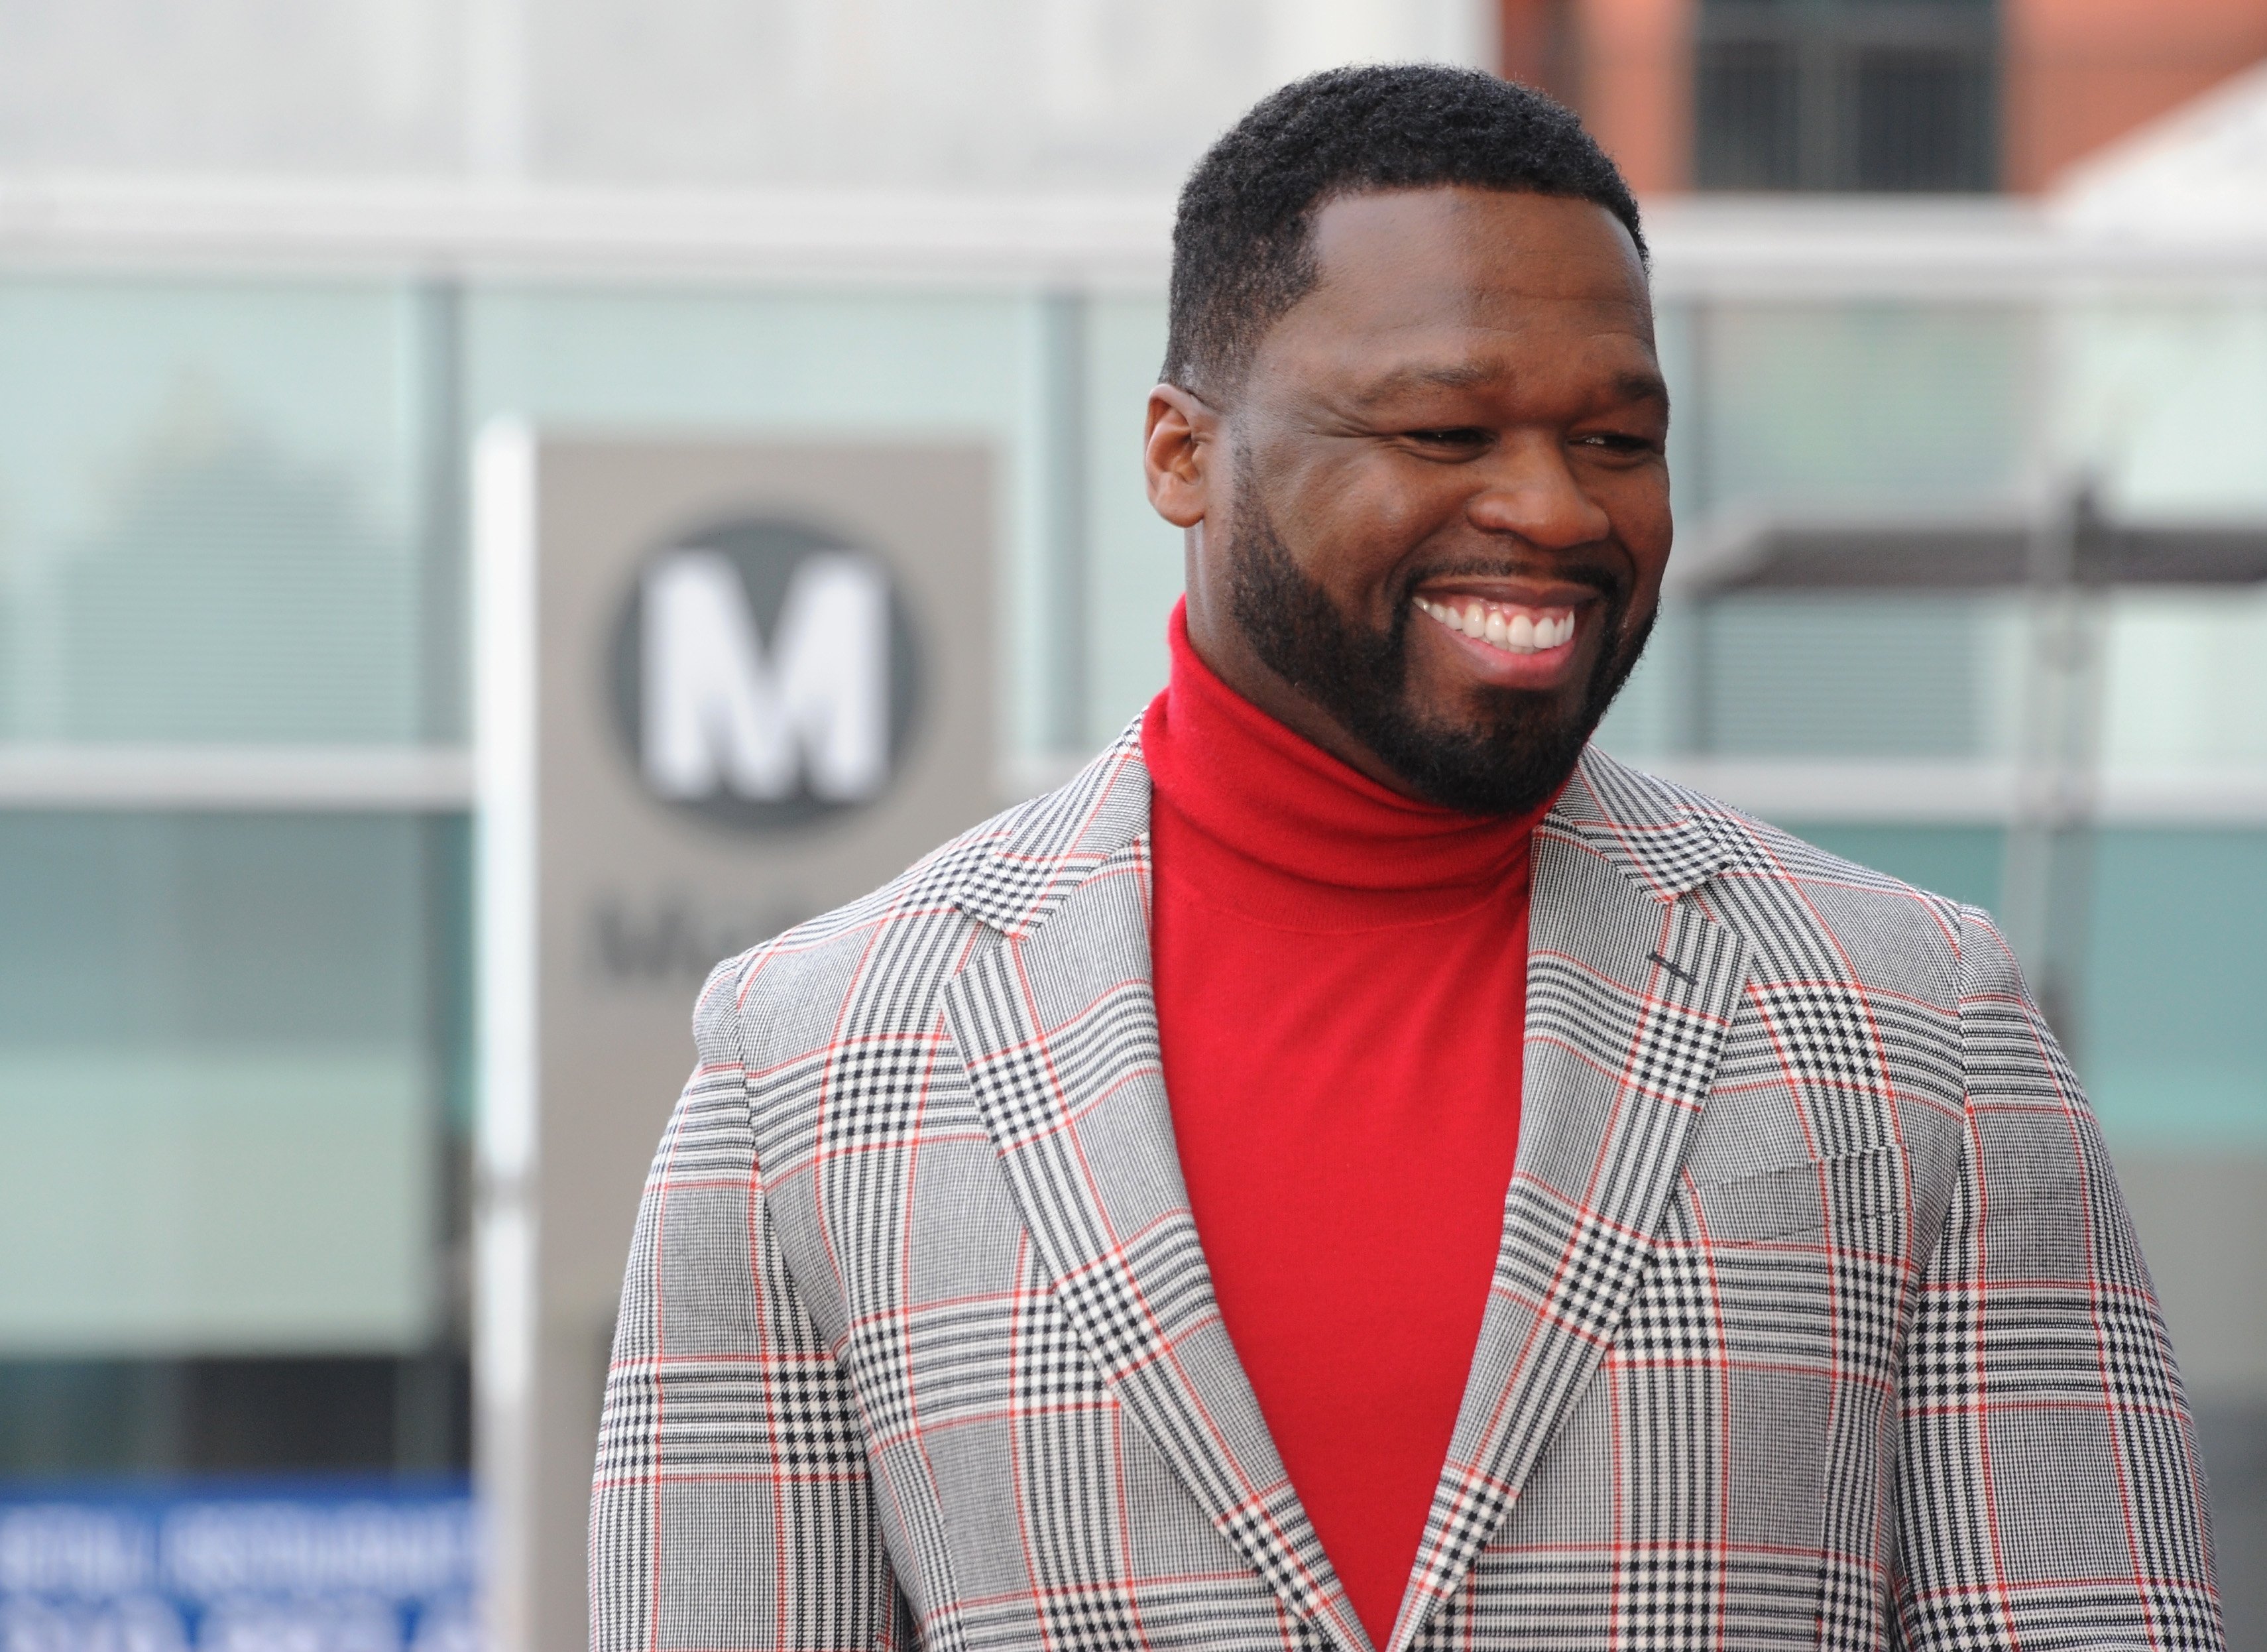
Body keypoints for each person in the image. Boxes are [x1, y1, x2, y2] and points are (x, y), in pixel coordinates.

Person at [591, 65, 2223, 1652]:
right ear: (1178, 453)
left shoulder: (1916, 1021)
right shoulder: (808, 1066)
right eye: (1445, 428)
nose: (1556, 508)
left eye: (1616, 441)